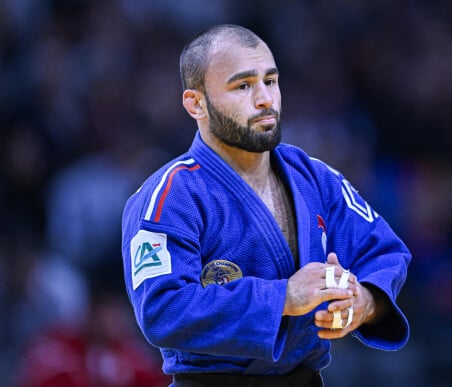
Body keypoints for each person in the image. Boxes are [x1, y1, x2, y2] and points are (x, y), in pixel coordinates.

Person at [121, 24, 411, 387]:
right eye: (243, 86)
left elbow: (385, 252)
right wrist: (283, 298)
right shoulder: (170, 196)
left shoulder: (314, 177)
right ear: (196, 104)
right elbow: (162, 308)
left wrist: (364, 302)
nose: (264, 99)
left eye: (270, 81)